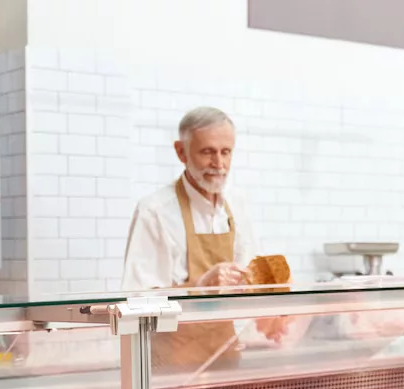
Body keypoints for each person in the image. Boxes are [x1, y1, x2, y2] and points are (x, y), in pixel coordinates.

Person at [122, 107, 287, 366]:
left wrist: (270, 316)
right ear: (181, 152)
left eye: (226, 152)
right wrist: (199, 287)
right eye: (207, 152)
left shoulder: (237, 205)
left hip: (224, 356)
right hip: (171, 364)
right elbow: (134, 302)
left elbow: (250, 276)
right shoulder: (154, 212)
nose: (219, 164)